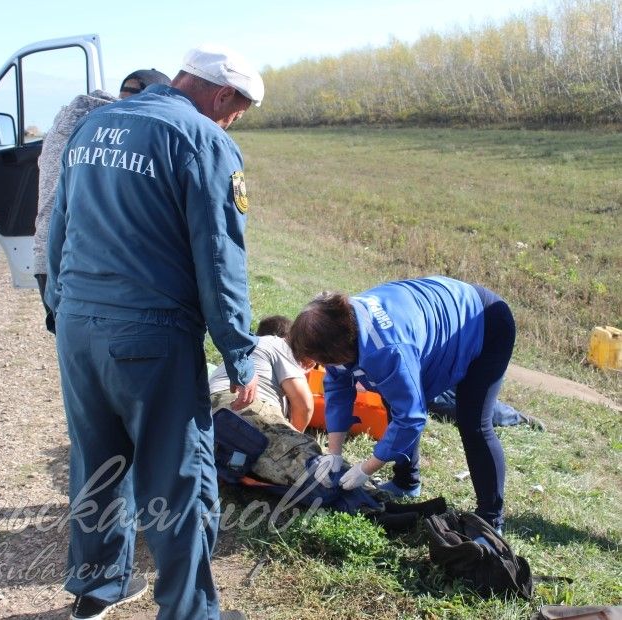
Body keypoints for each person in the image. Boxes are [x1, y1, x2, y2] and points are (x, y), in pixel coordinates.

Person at [45, 44, 263, 620]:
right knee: (179, 476)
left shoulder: (94, 125)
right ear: (221, 94)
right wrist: (240, 354)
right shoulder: (203, 140)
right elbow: (219, 260)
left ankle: (96, 590)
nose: (232, 120)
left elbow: (59, 225)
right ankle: (189, 612)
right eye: (236, 109)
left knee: (96, 462)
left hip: (78, 326)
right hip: (150, 334)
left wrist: (58, 305)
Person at [288, 276, 515, 532]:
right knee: (392, 397)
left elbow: (411, 417)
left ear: (340, 350)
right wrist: (335, 453)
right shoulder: (341, 324)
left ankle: (491, 518)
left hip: (484, 322)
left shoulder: (387, 349)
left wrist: (368, 467)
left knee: (473, 421)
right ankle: (407, 482)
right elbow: (338, 387)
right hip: (435, 316)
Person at [33, 68, 170, 327]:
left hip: (45, 255)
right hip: (81, 263)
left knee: (73, 347)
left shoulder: (65, 122)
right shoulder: (116, 132)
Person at [209, 315, 317, 485]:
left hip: (206, 413)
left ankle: (235, 468)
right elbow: (305, 406)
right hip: (239, 406)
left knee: (258, 454)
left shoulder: (248, 347)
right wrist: (294, 436)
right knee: (312, 461)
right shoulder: (280, 345)